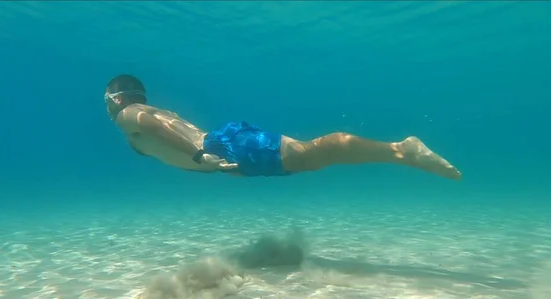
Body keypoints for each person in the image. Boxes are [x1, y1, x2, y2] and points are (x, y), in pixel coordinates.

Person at [104, 74, 461, 180]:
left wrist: (199, 156)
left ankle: (402, 150)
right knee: (310, 156)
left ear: (116, 97)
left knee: (313, 153)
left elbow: (152, 126)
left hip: (221, 146)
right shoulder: (146, 109)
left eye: (107, 100)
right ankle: (399, 151)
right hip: (226, 148)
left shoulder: (129, 114)